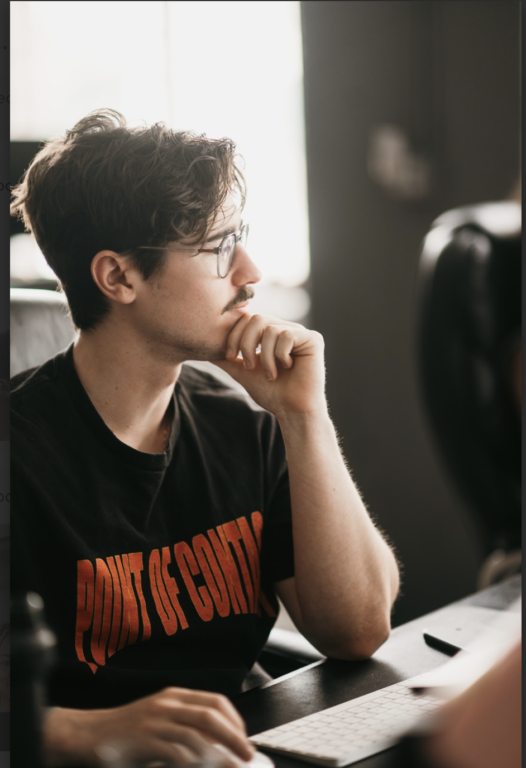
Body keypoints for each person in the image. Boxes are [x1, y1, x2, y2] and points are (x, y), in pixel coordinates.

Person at [10, 109, 400, 768]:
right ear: (119, 278)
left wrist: (305, 418)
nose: (249, 271)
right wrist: (76, 733)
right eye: (218, 245)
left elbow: (357, 632)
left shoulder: (242, 425)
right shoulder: (19, 458)